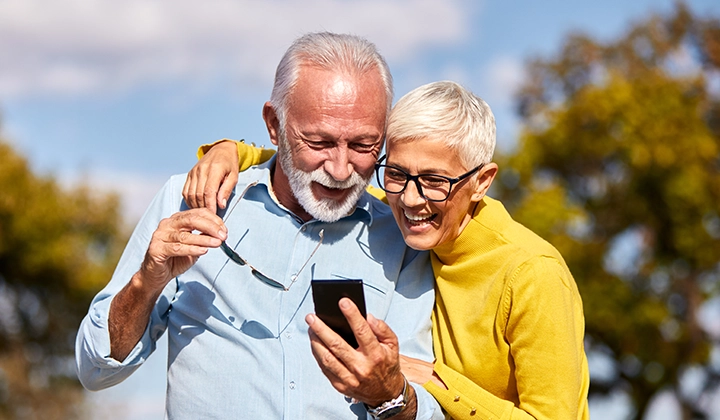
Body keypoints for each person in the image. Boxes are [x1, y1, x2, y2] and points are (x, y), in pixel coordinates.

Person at [75, 32, 445, 420]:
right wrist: (145, 283)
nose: (340, 169)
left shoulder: (404, 237)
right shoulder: (187, 202)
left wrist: (388, 394)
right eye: (318, 142)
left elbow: (425, 398)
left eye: (363, 145)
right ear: (274, 124)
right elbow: (95, 369)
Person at [186, 81, 590, 419]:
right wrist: (232, 152)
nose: (411, 199)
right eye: (396, 173)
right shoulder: (412, 215)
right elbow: (314, 166)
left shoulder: (533, 274)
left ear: (482, 181)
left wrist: (437, 382)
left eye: (434, 180)